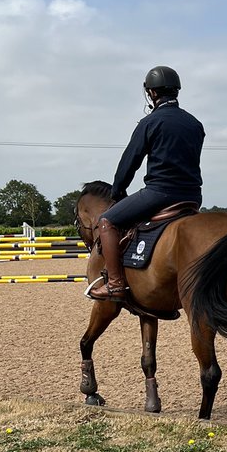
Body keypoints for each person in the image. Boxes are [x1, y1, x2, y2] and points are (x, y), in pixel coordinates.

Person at [86, 66, 205, 301]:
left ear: (151, 93)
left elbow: (129, 162)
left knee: (106, 221)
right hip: (193, 195)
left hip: (159, 193)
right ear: (176, 91)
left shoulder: (150, 122)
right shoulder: (195, 124)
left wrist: (118, 191)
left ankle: (116, 284)